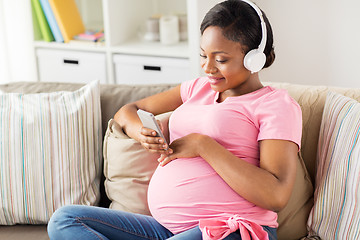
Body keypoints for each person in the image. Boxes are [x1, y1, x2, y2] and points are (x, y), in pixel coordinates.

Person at [47, 0, 302, 239]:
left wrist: (204, 146)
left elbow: (276, 195)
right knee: (65, 219)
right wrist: (142, 133)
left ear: (254, 58)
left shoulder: (276, 105)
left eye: (221, 59)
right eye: (204, 55)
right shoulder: (197, 88)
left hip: (232, 229)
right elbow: (128, 110)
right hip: (168, 230)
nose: (208, 67)